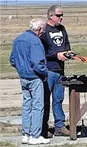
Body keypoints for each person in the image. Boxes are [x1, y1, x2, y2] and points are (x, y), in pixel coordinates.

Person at [10, 18, 50, 144]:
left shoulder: (18, 39)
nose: (42, 33)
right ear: (38, 29)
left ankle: (26, 134)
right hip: (35, 77)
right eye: (42, 31)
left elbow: (12, 60)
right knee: (38, 107)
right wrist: (45, 73)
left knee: (27, 106)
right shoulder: (35, 41)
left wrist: (21, 68)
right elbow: (37, 63)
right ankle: (35, 136)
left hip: (23, 77)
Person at [40, 5, 72, 138]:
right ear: (51, 16)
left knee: (58, 99)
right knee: (45, 100)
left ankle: (60, 126)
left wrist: (68, 52)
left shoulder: (62, 29)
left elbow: (67, 44)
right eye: (58, 15)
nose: (61, 18)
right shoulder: (44, 30)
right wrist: (56, 55)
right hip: (48, 70)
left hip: (60, 70)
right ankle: (43, 127)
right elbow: (41, 51)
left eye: (62, 15)